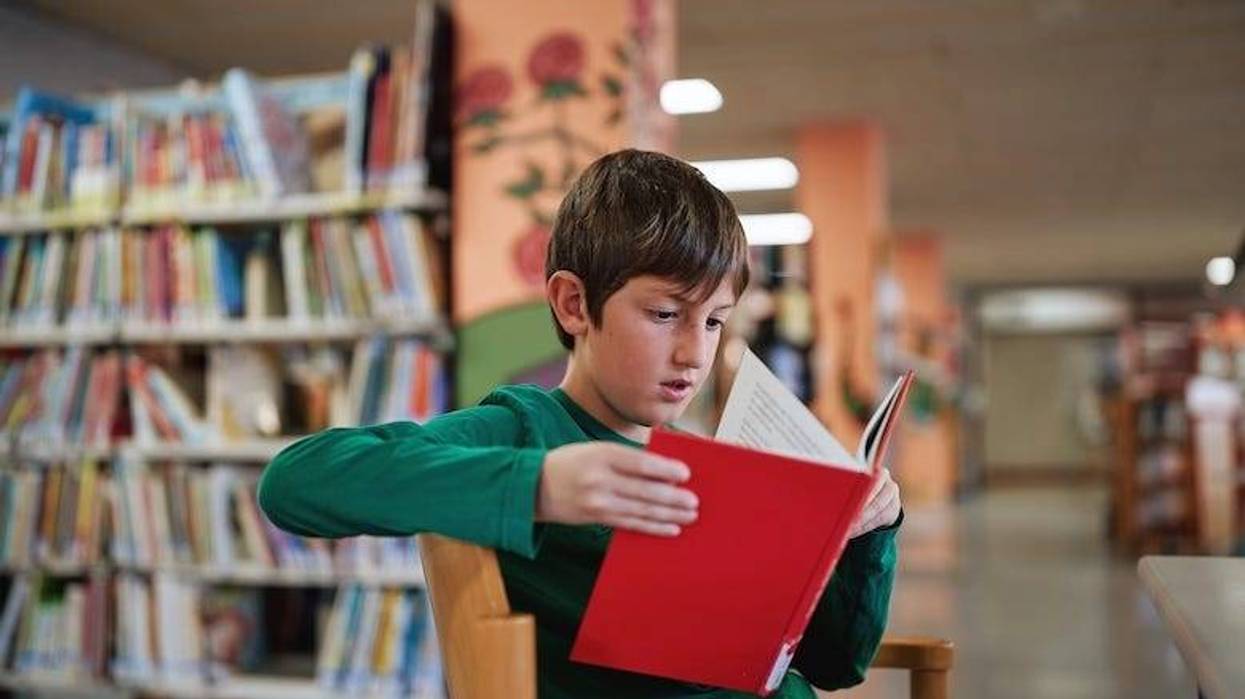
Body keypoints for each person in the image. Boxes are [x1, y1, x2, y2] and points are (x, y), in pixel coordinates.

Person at [258, 149, 902, 698]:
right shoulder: (524, 430)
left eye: (713, 322)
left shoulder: (706, 463)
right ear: (574, 305)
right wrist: (537, 485)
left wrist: (870, 533)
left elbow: (835, 663)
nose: (695, 354)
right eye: (664, 315)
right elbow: (293, 482)